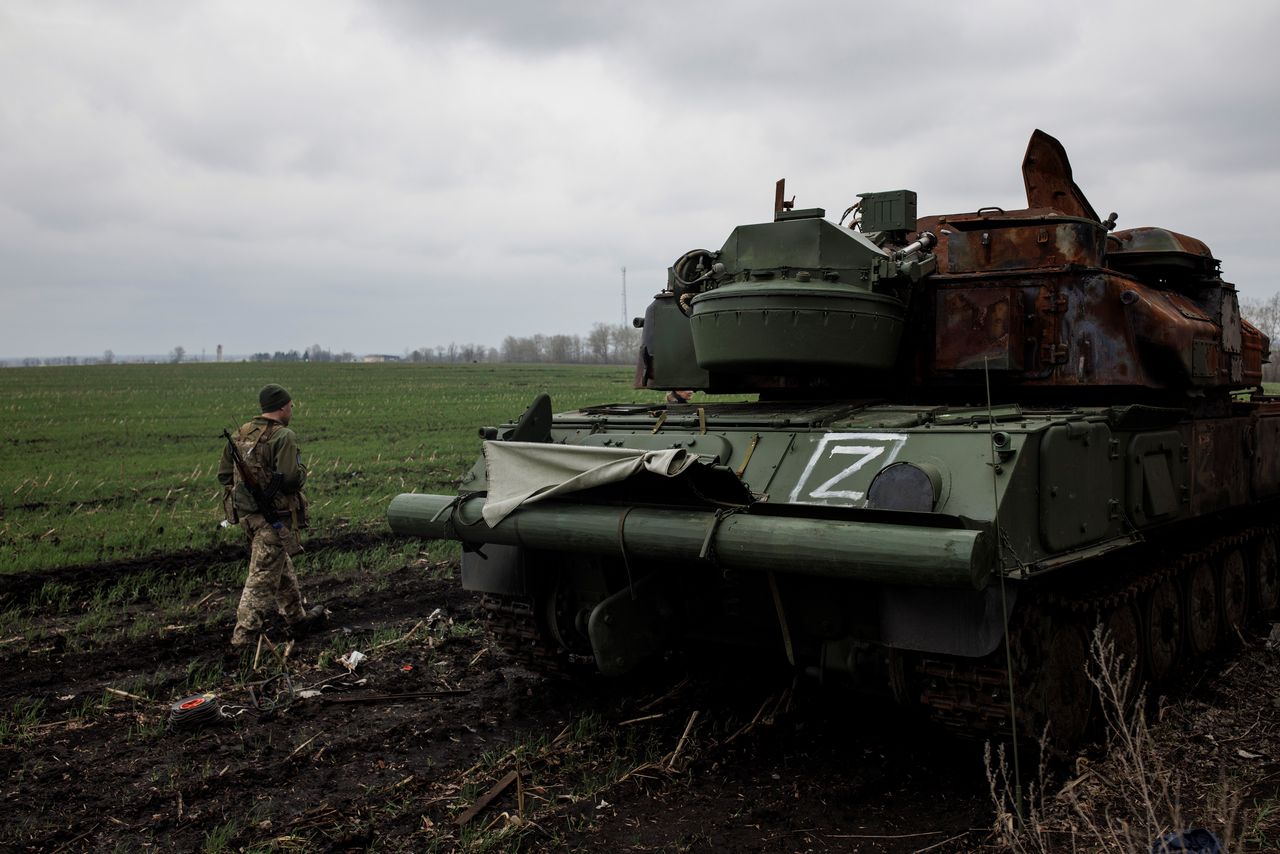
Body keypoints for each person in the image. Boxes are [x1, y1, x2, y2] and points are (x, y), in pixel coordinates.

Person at [218, 383, 324, 649]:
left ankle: (297, 619)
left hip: (247, 517)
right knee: (261, 579)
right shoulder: (283, 436)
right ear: (281, 407)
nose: (291, 409)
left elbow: (223, 475)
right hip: (271, 515)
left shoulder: (241, 432)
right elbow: (289, 480)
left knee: (280, 567)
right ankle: (242, 640)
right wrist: (302, 472)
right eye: (290, 405)